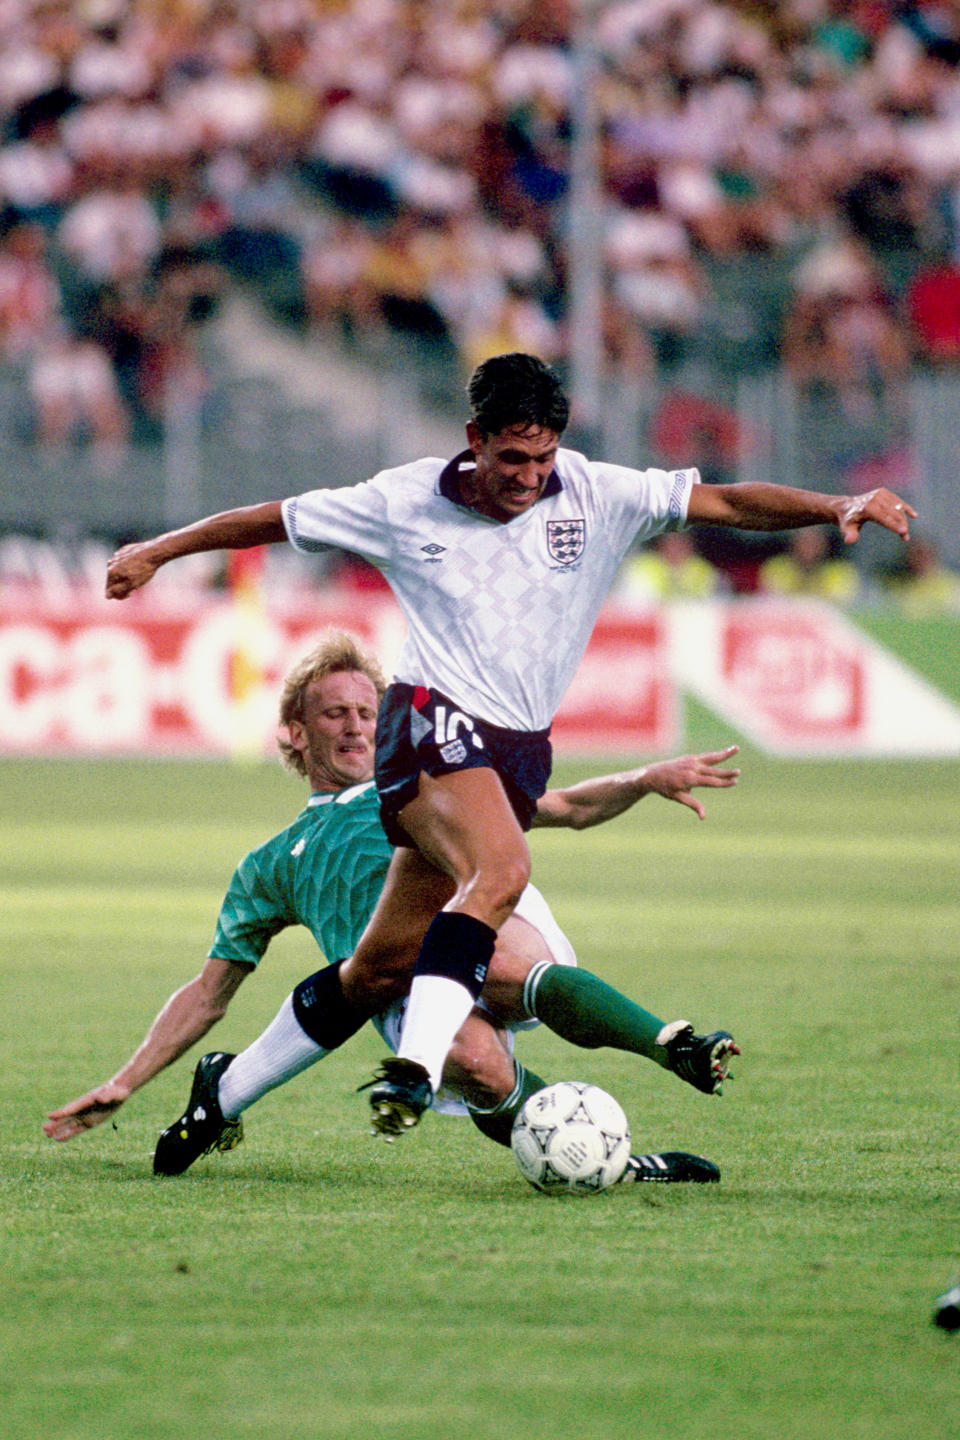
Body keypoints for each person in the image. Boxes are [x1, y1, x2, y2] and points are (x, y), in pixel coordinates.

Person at [103, 351, 917, 1138]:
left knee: (379, 967)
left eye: (542, 456)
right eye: (511, 456)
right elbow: (271, 519)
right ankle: (414, 1069)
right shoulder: (403, 500)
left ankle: (225, 1092)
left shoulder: (598, 493)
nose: (529, 475)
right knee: (503, 872)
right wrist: (157, 552)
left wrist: (833, 503)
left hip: (517, 748)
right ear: (474, 437)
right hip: (426, 720)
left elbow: (729, 504)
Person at [44, 631, 741, 1183]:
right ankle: (605, 1162)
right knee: (477, 1063)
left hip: (478, 916)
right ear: (294, 732)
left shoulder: (426, 785)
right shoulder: (265, 866)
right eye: (333, 714)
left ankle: (671, 1041)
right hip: (390, 983)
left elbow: (569, 808)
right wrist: (125, 1082)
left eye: (366, 713)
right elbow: (208, 993)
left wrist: (644, 778)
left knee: (498, 962)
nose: (354, 727)